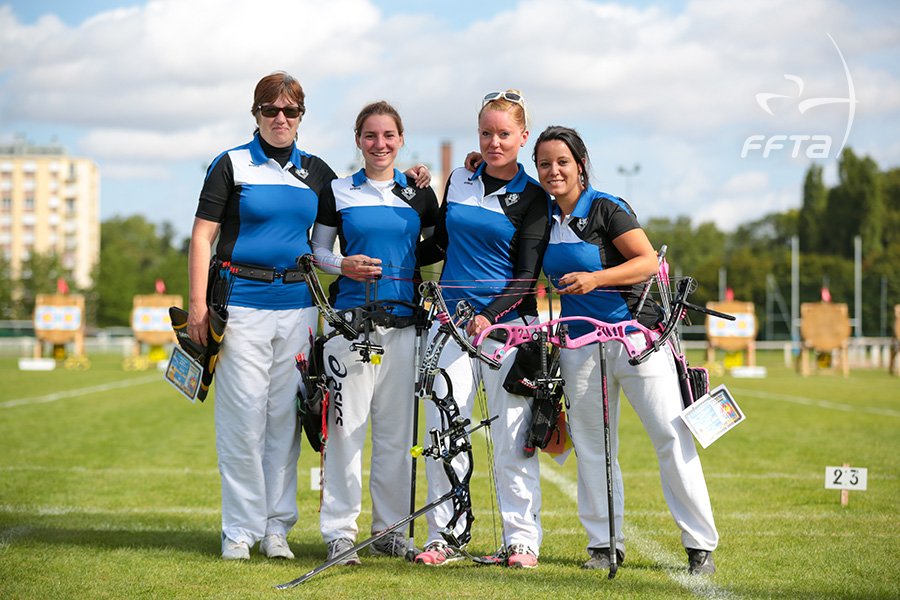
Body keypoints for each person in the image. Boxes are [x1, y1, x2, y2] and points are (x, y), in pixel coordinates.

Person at [534, 125, 718, 575]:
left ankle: (700, 546)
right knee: (592, 447)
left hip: (636, 339)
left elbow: (647, 261)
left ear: (580, 164)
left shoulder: (606, 207)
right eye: (544, 164)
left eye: (562, 162)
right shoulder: (541, 216)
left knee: (670, 437)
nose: (553, 171)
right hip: (579, 344)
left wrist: (595, 278)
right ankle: (604, 545)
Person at [188, 71, 334, 561]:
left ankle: (276, 530)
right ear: (256, 114)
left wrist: (412, 178)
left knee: (282, 422)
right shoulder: (230, 164)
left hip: (297, 310)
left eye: (290, 111)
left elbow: (359, 200)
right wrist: (196, 305)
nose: (280, 118)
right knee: (243, 419)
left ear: (301, 117)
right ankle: (239, 531)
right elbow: (202, 236)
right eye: (270, 110)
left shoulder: (317, 171)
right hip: (240, 307)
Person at [414, 90, 550, 569]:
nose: (494, 143)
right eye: (487, 133)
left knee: (514, 438)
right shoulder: (459, 179)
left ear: (522, 137)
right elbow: (441, 244)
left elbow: (526, 277)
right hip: (449, 326)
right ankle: (444, 536)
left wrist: (490, 314)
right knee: (443, 433)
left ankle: (521, 540)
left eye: (504, 134)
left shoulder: (535, 199)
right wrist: (395, 238)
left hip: (508, 331)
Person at [310, 101, 439, 565]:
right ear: (358, 140)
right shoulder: (338, 190)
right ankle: (340, 533)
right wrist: (343, 264)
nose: (379, 144)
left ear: (401, 140)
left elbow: (438, 242)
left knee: (396, 434)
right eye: (370, 136)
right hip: (351, 325)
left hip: (406, 325)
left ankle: (389, 529)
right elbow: (317, 251)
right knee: (346, 431)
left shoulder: (419, 193)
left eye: (388, 136)